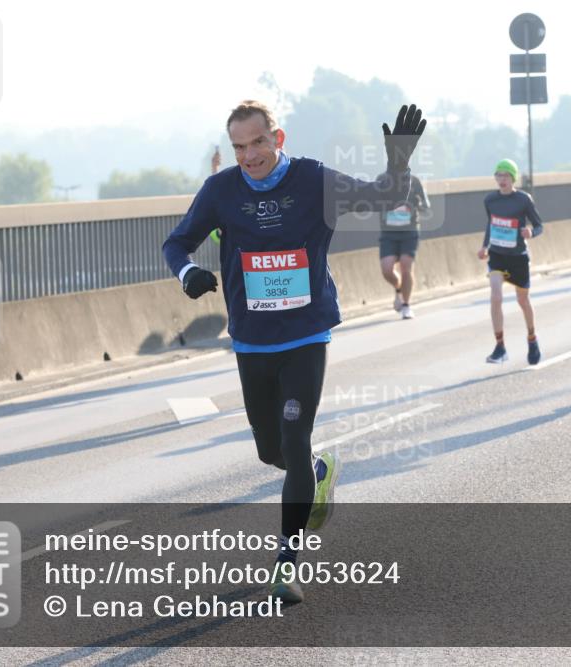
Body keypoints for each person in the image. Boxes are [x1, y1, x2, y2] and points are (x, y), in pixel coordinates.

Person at [163, 101, 426, 603]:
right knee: (272, 451)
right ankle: (316, 472)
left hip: (306, 334)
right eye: (239, 147)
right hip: (250, 338)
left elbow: (383, 196)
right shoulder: (221, 190)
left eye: (257, 143)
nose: (248, 156)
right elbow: (176, 244)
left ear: (277, 138)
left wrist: (398, 164)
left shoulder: (313, 181)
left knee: (294, 431)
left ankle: (286, 564)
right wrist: (188, 274)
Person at [477, 159, 543, 365]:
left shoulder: (523, 199)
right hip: (497, 256)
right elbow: (492, 224)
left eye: (506, 176)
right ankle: (500, 347)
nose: (502, 179)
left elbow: (539, 225)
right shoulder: (490, 200)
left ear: (513, 178)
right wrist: (485, 246)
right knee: (495, 296)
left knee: (522, 301)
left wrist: (530, 232)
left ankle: (532, 339)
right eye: (499, 175)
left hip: (518, 256)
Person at [379, 174, 430, 319]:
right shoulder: (382, 179)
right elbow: (372, 202)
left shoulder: (415, 180)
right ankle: (398, 288)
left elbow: (426, 205)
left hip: (409, 232)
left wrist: (418, 205)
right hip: (389, 233)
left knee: (405, 266)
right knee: (387, 270)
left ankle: (406, 305)